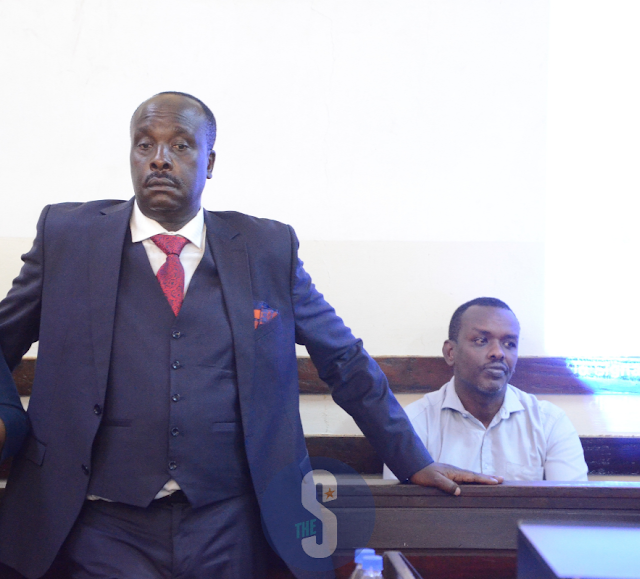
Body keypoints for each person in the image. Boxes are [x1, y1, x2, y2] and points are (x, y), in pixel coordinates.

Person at [0, 92, 498, 579]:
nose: (159, 160)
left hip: (228, 521)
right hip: (100, 519)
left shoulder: (264, 248)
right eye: (144, 144)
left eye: (180, 146)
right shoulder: (69, 236)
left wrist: (412, 460)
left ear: (209, 161)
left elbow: (342, 358)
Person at [384, 297, 588, 482]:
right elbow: (401, 511)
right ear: (450, 352)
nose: (498, 353)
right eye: (481, 341)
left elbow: (571, 509)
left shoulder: (549, 423)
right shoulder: (415, 423)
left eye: (509, 343)